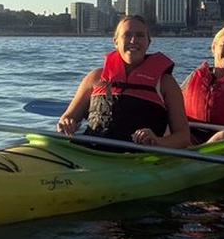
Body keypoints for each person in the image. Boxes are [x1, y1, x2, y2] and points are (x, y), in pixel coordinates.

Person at [56, 15, 191, 148]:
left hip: (138, 157)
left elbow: (183, 137)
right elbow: (67, 117)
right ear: (116, 41)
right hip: (90, 153)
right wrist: (67, 123)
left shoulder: (166, 84)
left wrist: (157, 141)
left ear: (148, 42)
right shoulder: (95, 78)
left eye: (140, 35)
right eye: (127, 35)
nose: (133, 40)